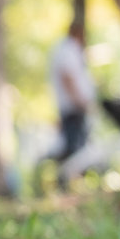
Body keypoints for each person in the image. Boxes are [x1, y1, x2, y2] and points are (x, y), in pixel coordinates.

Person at [49, 21, 96, 186]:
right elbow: (68, 77)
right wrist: (80, 100)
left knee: (78, 146)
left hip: (73, 108)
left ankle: (73, 181)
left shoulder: (67, 49)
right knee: (75, 149)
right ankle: (68, 181)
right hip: (73, 108)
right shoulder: (68, 50)